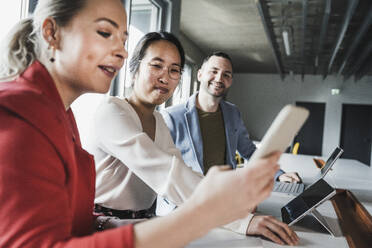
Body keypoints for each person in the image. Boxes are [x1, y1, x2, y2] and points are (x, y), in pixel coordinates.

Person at [0, 0, 295, 247]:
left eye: (124, 41)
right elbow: (167, 174)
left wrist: (227, 204)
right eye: (105, 32)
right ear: (52, 33)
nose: (122, 51)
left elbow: (174, 169)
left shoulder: (62, 114)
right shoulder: (24, 116)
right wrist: (218, 215)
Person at [161, 51, 302, 242]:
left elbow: (249, 151)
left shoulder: (232, 113)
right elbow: (166, 175)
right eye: (214, 71)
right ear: (200, 74)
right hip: (185, 209)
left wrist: (278, 174)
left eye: (226, 74)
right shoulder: (172, 116)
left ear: (231, 81)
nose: (219, 78)